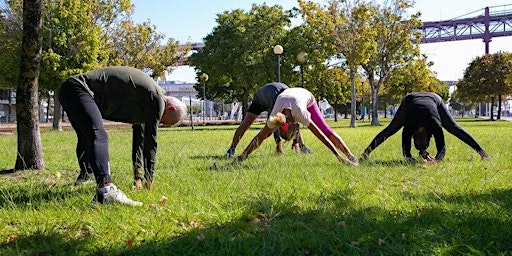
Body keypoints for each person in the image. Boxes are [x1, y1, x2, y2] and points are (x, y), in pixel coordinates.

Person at [59, 66, 186, 206]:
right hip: (79, 88)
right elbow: (151, 143)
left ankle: (86, 177)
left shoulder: (146, 101)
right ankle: (107, 190)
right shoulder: (157, 98)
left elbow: (140, 140)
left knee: (86, 137)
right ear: (171, 108)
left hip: (68, 90)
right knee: (98, 135)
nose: (158, 123)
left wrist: (139, 177)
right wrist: (150, 181)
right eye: (163, 121)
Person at [235, 87, 359, 165]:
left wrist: (339, 156)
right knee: (266, 132)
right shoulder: (276, 116)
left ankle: (350, 155)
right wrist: (243, 156)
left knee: (325, 129)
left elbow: (321, 136)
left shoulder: (300, 114)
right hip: (289, 95)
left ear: (295, 125)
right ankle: (348, 156)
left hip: (307, 97)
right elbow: (260, 136)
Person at [360, 92, 490, 163]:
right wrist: (409, 159)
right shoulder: (409, 124)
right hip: (409, 101)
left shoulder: (435, 123)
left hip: (435, 101)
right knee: (391, 129)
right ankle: (365, 153)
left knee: (454, 128)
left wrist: (437, 161)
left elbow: (442, 147)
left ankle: (482, 153)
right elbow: (405, 148)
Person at [226, 82, 312, 157]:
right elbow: (272, 124)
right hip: (260, 100)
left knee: (291, 120)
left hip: (276, 94)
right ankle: (231, 149)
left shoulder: (293, 102)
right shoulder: (277, 102)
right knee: (246, 123)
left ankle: (302, 146)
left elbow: (295, 123)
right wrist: (278, 144)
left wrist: (296, 141)